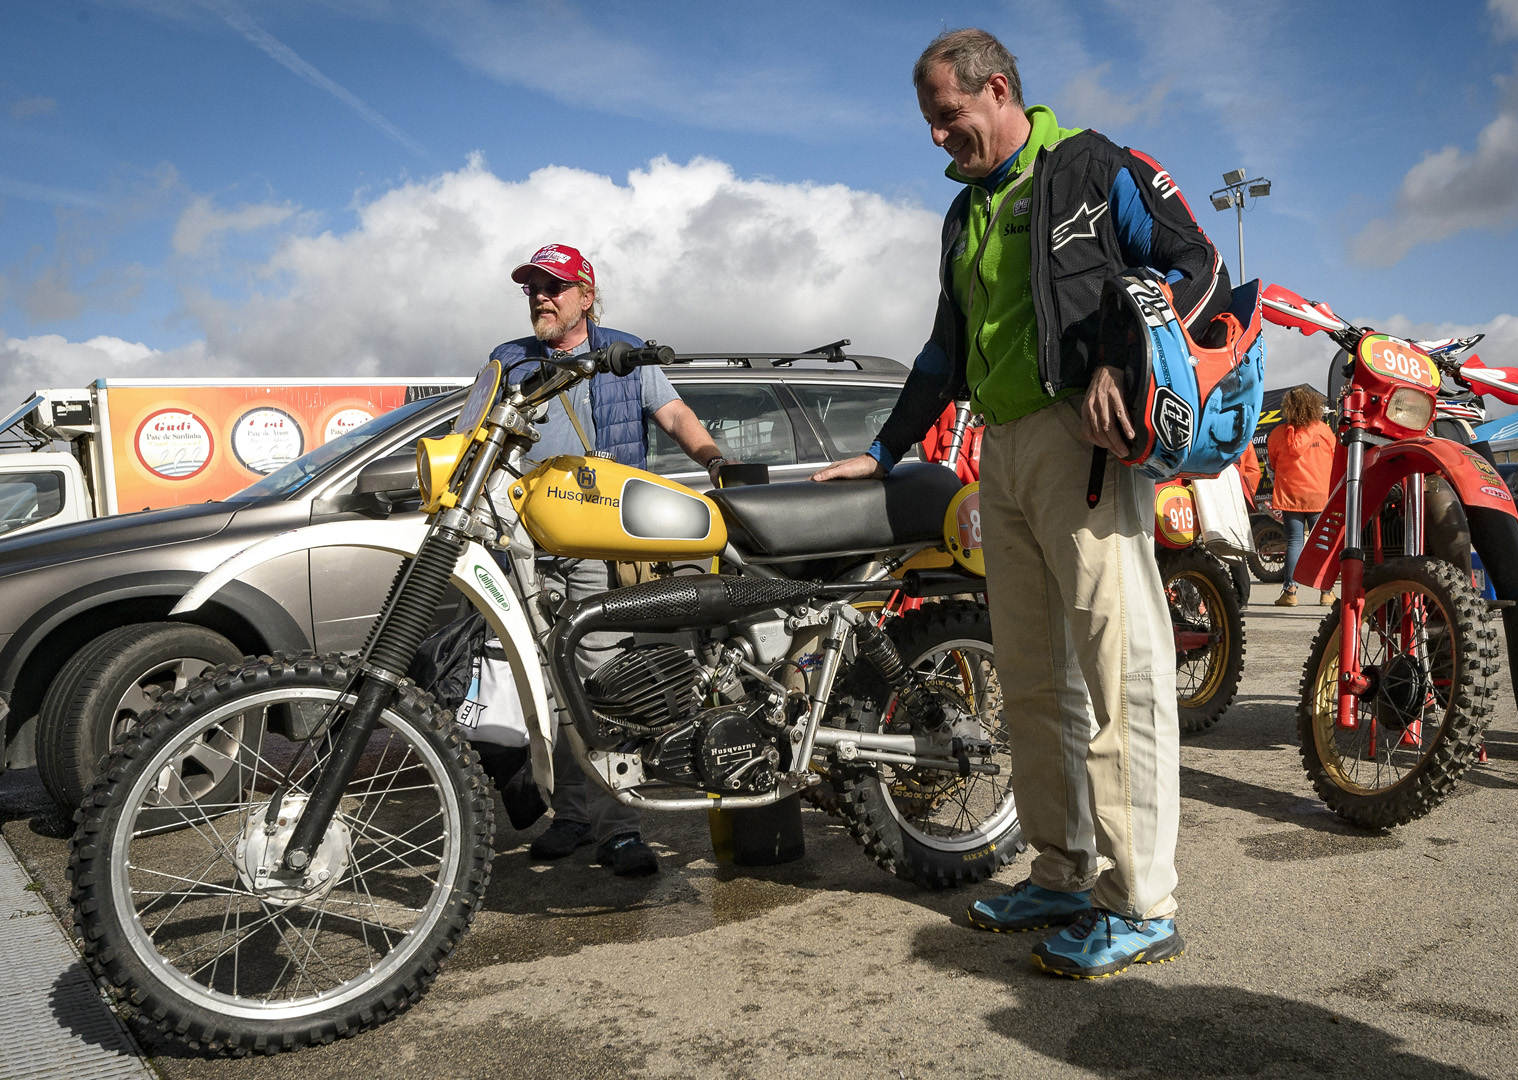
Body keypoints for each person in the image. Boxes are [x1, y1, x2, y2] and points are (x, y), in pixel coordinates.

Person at [815, 28, 1230, 979]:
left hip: (1084, 445)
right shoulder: (964, 214)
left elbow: (1197, 265)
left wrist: (1120, 360)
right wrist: (880, 453)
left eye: (947, 115)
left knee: (1121, 673)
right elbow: (941, 352)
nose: (936, 137)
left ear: (997, 89)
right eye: (929, 122)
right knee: (1036, 681)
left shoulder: (1090, 165)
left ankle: (1141, 902)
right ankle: (1061, 870)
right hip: (999, 453)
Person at [491, 243, 728, 876]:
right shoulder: (509, 361)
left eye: (555, 287)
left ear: (587, 295)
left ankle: (619, 827)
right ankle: (572, 815)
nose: (541, 298)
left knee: (598, 678)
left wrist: (714, 459)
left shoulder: (626, 352)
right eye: (534, 288)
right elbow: (477, 435)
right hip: (528, 544)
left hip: (599, 540)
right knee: (548, 685)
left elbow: (673, 412)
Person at [1265, 386, 1335, 606]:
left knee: (1295, 542)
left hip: (1291, 496)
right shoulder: (1324, 430)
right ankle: (1326, 592)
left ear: (1288, 408)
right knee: (1321, 543)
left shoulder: (1278, 434)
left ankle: (1290, 592)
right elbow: (1335, 456)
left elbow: (1273, 463)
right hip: (1319, 495)